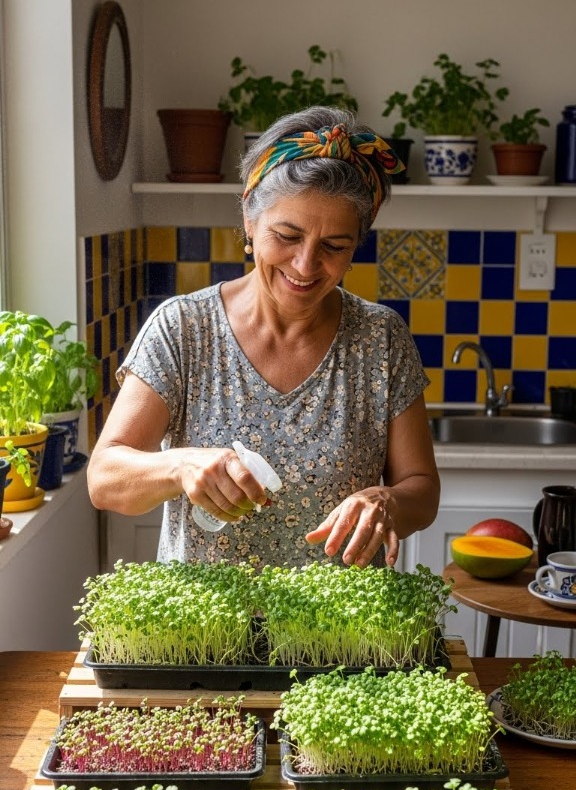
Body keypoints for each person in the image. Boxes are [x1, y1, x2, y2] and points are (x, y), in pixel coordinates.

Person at [87, 106, 440, 569]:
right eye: (287, 236)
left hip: (339, 631)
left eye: (335, 246)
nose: (305, 264)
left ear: (356, 247)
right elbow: (105, 479)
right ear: (250, 225)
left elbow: (422, 488)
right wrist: (181, 465)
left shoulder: (380, 339)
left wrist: (387, 502)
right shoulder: (184, 329)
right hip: (204, 628)